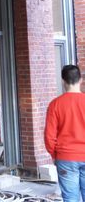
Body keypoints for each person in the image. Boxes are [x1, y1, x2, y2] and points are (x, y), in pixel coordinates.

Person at [45, 64, 85, 202]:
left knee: (70, 198)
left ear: (63, 81)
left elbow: (49, 136)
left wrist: (55, 155)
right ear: (80, 80)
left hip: (66, 158)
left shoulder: (55, 104)